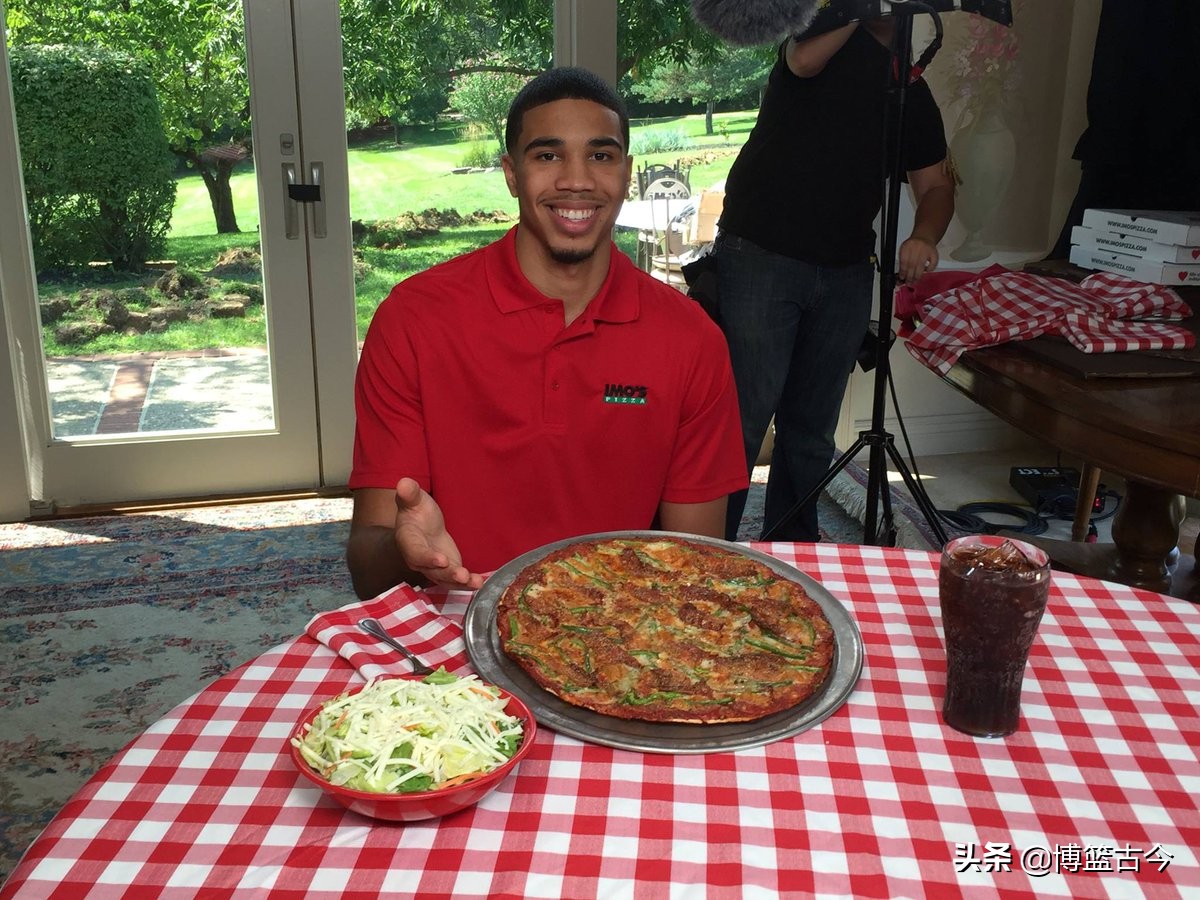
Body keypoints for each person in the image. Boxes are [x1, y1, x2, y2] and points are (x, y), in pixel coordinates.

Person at [346, 66, 748, 600]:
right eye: (548, 155)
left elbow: (696, 571)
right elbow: (367, 571)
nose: (576, 179)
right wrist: (409, 549)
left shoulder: (692, 340)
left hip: (618, 635)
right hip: (452, 620)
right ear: (512, 173)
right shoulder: (414, 318)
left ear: (626, 173)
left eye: (600, 156)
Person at [713, 17, 954, 543]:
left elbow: (936, 183)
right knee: (741, 421)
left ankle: (793, 545)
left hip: (846, 270)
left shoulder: (907, 85)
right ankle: (709, 547)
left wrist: (925, 236)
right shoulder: (815, 36)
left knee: (812, 430)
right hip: (761, 254)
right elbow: (803, 60)